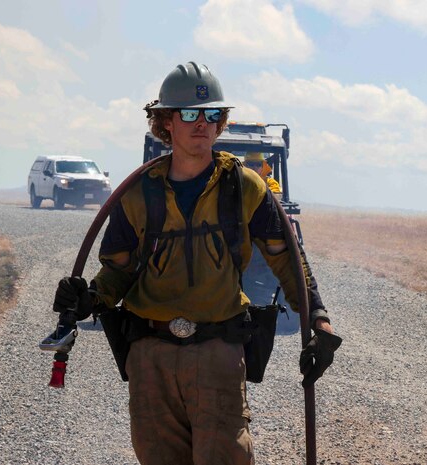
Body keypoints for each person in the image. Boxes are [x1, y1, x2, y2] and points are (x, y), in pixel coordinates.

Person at [51, 61, 338, 465]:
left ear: (220, 122)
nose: (200, 123)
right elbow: (117, 271)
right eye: (188, 113)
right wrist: (90, 299)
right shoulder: (136, 194)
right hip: (150, 358)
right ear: (165, 121)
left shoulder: (245, 187)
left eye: (210, 114)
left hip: (219, 353)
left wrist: (319, 321)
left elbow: (286, 259)